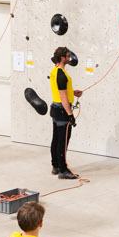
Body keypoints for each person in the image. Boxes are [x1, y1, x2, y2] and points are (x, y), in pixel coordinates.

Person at [47, 47, 80, 181]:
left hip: (56, 108)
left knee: (56, 139)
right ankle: (63, 170)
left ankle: (55, 166)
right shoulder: (61, 74)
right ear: (62, 58)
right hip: (62, 110)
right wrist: (70, 114)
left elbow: (62, 91)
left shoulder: (55, 71)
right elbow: (63, 96)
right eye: (67, 56)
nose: (69, 58)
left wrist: (74, 93)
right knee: (63, 141)